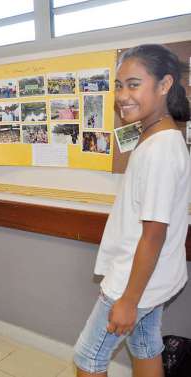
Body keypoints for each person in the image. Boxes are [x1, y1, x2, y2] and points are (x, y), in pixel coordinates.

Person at [74, 44, 190, 377]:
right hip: (156, 280)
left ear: (165, 85)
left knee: (88, 358)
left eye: (134, 84)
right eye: (119, 85)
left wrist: (127, 299)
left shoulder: (160, 150)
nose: (123, 95)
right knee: (145, 347)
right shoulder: (161, 138)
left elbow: (154, 233)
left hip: (135, 283)